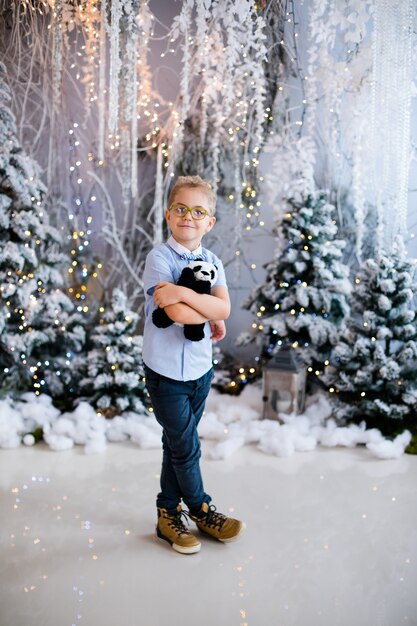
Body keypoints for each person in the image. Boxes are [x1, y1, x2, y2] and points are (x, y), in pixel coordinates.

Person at [142, 175, 245, 554]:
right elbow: (178, 315)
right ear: (169, 215)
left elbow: (224, 309)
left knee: (175, 444)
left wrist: (184, 291)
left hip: (200, 372)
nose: (189, 216)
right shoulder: (159, 258)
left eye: (198, 211)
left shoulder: (213, 261)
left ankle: (167, 514)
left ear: (209, 222)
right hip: (165, 372)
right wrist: (199, 306)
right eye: (181, 209)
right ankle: (201, 509)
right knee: (186, 447)